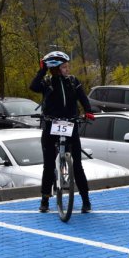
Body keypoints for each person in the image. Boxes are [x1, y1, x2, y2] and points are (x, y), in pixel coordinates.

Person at [29, 51, 95, 213]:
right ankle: (45, 199)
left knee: (78, 165)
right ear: (56, 69)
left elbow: (82, 97)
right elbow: (33, 87)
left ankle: (86, 200)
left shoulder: (72, 81)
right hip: (51, 125)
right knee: (49, 163)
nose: (68, 69)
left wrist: (88, 111)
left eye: (67, 66)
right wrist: (42, 70)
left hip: (70, 124)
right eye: (64, 67)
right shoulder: (47, 82)